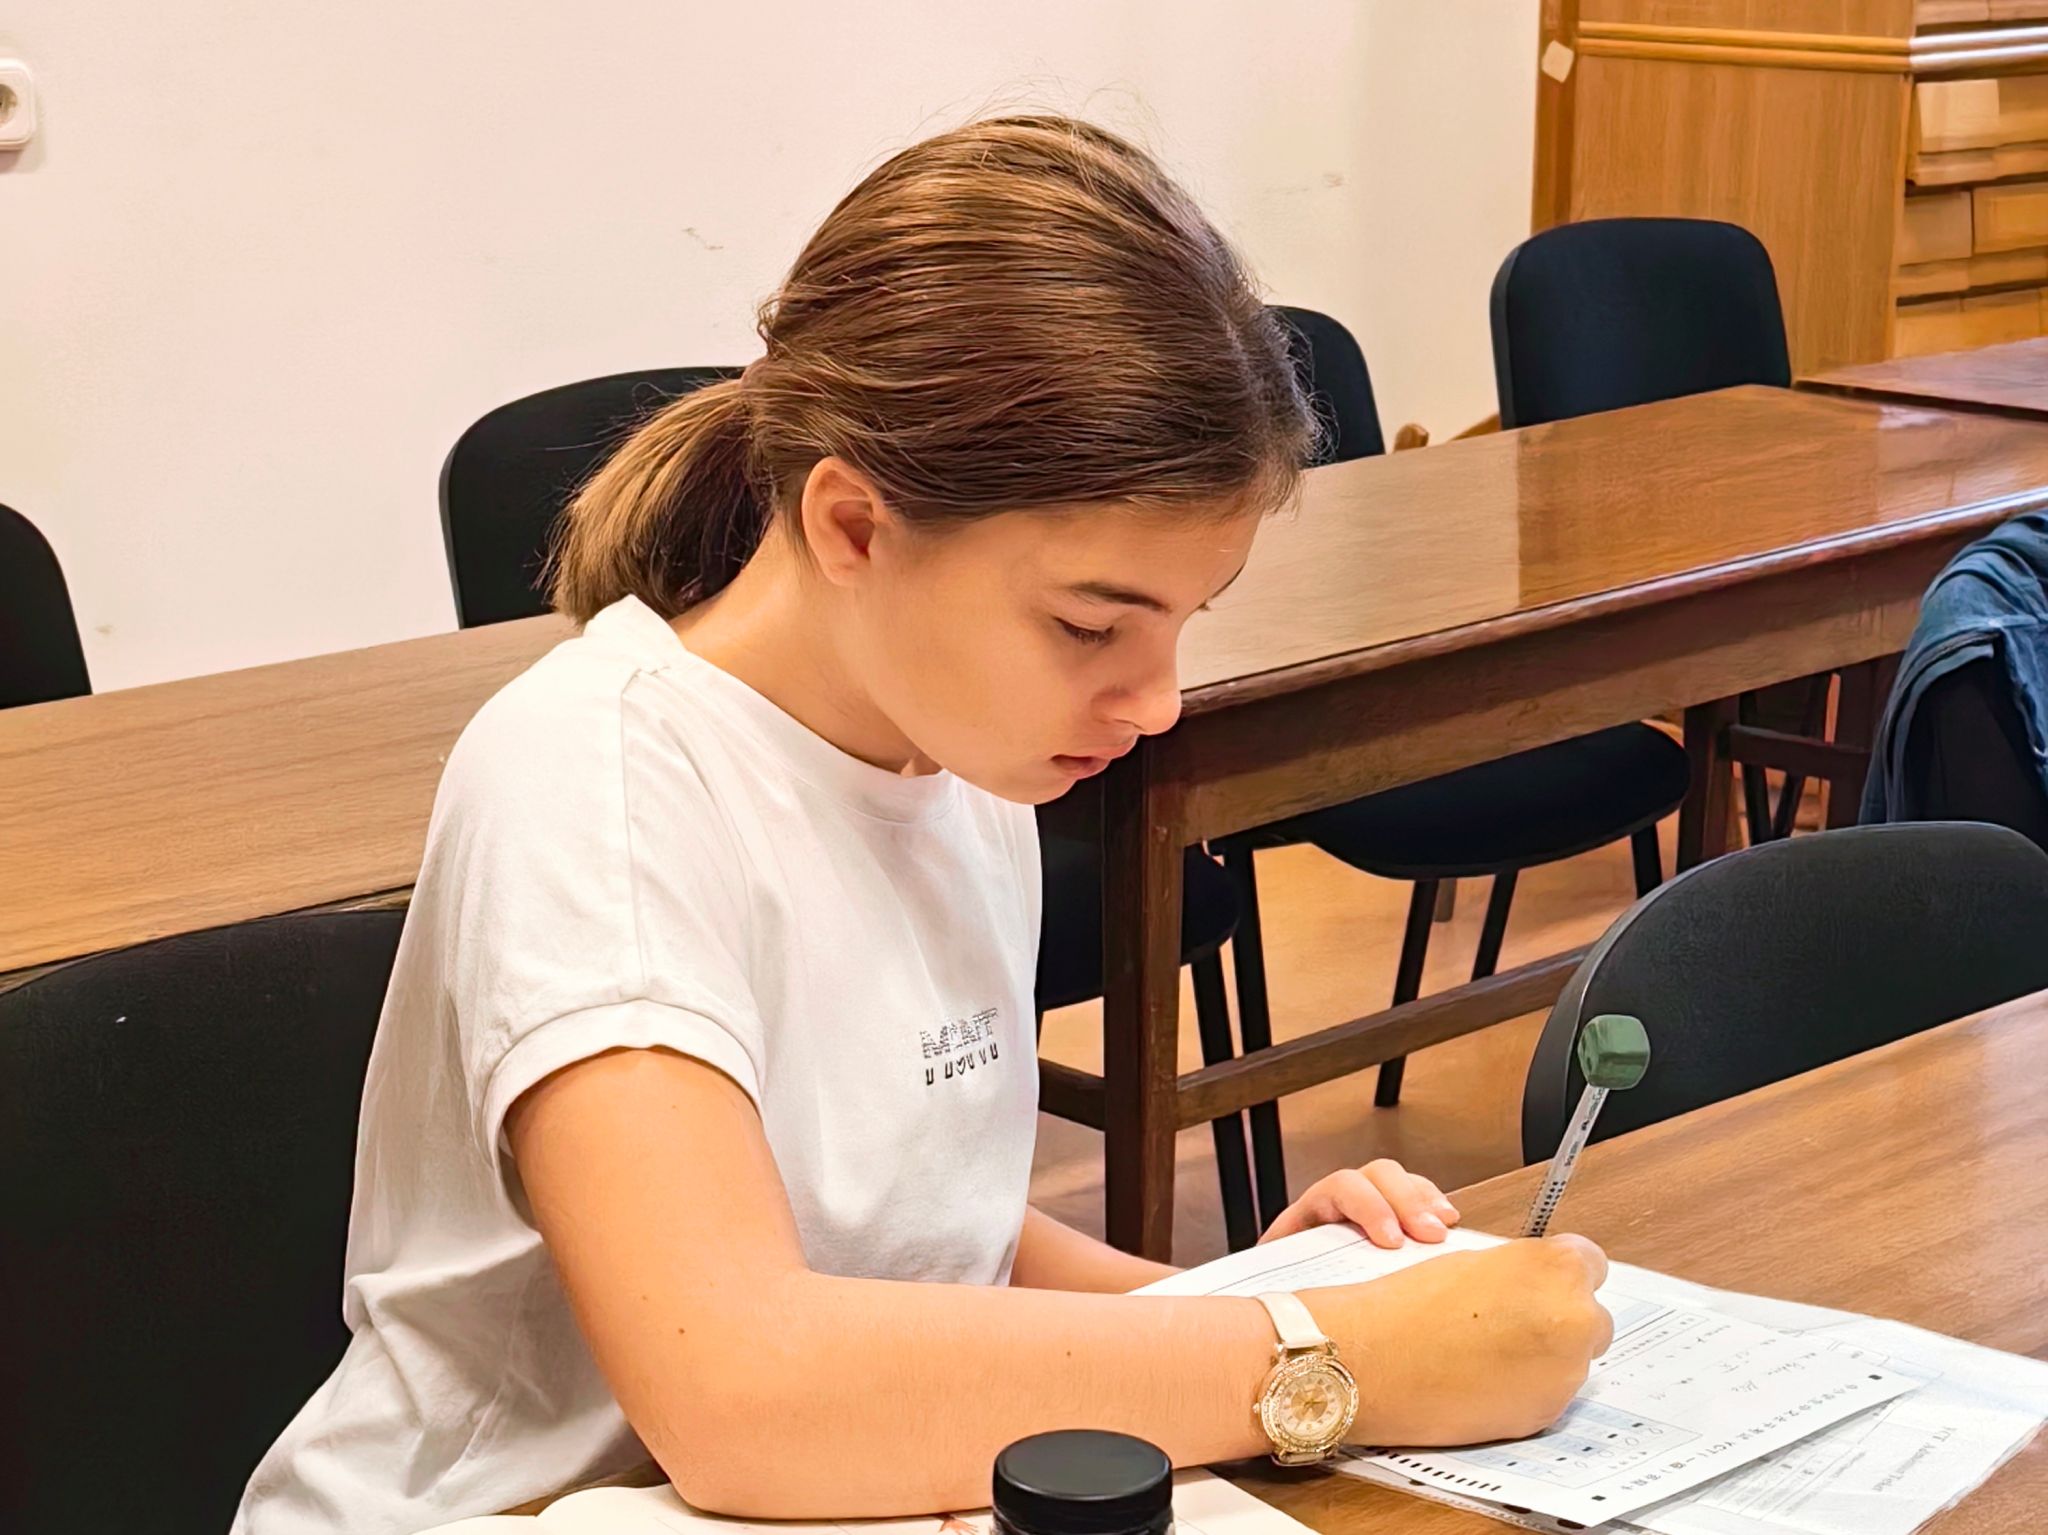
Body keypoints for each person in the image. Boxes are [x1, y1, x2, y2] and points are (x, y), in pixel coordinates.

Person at [235, 115, 1610, 1535]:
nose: (1155, 703)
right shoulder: (601, 781)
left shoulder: (957, 755)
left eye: (1185, 620)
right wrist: (1324, 1363)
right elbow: (742, 1398)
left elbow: (922, 1238)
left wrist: (1256, 1304)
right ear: (851, 525)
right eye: (1091, 625)